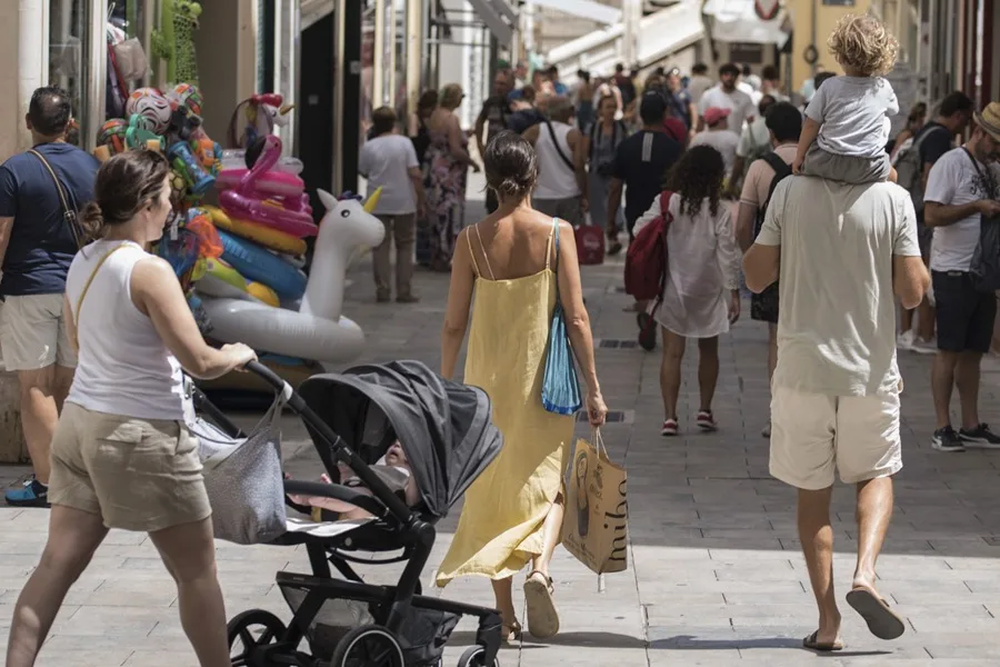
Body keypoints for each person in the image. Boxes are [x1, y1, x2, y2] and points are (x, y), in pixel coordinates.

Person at [5, 150, 258, 667]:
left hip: (79, 426)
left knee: (54, 566)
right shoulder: (148, 271)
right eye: (167, 198)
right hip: (140, 435)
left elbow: (78, 340)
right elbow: (200, 360)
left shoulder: (83, 260)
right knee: (196, 573)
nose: (172, 208)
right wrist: (238, 353)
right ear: (146, 204)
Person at [743, 133, 929, 652]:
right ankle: (865, 574)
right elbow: (913, 291)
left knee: (812, 490)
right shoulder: (894, 199)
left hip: (803, 366)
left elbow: (755, 276)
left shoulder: (789, 192)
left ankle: (827, 624)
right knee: (875, 472)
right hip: (867, 369)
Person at [437, 130, 607, 642]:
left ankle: (506, 614)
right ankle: (540, 570)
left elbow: (452, 323)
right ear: (534, 177)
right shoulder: (557, 233)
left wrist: (444, 387)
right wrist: (594, 387)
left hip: (486, 383)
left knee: (496, 488)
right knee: (550, 482)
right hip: (545, 384)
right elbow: (576, 317)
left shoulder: (471, 240)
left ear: (490, 182)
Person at [0, 87, 100, 507]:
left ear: (28, 123)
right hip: (79, 288)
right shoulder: (92, 167)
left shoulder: (13, 171)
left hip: (28, 287)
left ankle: (48, 483)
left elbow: (1, 234)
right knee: (71, 384)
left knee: (35, 387)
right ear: (70, 124)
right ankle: (77, 481)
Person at [632, 146, 740, 435]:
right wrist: (735, 294)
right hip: (709, 290)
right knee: (709, 351)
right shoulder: (720, 211)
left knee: (672, 354)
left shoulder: (667, 202)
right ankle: (704, 410)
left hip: (673, 287)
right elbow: (728, 254)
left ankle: (670, 417)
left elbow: (638, 230)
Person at [924, 102, 1000, 452]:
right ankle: (942, 425)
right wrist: (975, 207)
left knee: (973, 352)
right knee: (948, 351)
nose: (998, 150)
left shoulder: (994, 168)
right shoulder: (950, 164)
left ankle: (971, 423)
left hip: (983, 272)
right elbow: (932, 215)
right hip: (952, 269)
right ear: (979, 132)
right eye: (995, 142)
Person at [735, 102, 802, 438]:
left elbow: (743, 225)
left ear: (771, 133)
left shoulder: (760, 168)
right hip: (813, 265)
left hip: (775, 267)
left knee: (777, 339)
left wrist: (754, 262)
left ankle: (779, 415)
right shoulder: (817, 162)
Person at [894, 92, 974, 353]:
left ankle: (906, 332)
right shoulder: (940, 137)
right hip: (923, 214)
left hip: (910, 209)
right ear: (959, 115)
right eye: (966, 120)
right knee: (924, 274)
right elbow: (930, 175)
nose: (966, 127)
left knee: (908, 268)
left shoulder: (926, 129)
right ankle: (925, 337)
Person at [794, 14, 899, 184]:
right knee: (893, 176)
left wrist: (800, 156)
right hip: (867, 165)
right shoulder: (882, 87)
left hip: (827, 161)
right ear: (881, 58)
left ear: (840, 55)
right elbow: (894, 111)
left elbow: (811, 124)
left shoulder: (829, 86)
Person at [359, 106, 427, 303]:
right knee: (405, 245)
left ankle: (383, 289)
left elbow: (363, 171)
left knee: (380, 246)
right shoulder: (404, 143)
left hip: (377, 202)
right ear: (394, 123)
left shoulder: (369, 146)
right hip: (403, 201)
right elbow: (415, 173)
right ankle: (404, 290)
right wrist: (421, 199)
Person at [607, 92, 683, 252]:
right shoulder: (675, 149)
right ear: (664, 114)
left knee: (638, 257)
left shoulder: (626, 146)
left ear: (641, 115)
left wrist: (611, 220)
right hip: (666, 214)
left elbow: (615, 186)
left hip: (635, 213)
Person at [425, 83, 480, 272]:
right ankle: (450, 253)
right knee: (451, 212)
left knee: (437, 210)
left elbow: (442, 139)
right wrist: (473, 162)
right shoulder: (451, 118)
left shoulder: (435, 115)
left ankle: (437, 253)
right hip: (450, 173)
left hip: (434, 167)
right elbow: (455, 148)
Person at [523, 96, 587, 226]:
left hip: (542, 195)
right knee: (567, 239)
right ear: (566, 111)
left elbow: (517, 149)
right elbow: (579, 166)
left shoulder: (535, 131)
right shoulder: (573, 134)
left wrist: (533, 168)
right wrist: (585, 193)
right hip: (569, 195)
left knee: (543, 240)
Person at [584, 94, 629, 247]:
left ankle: (613, 237)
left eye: (612, 107)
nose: (610, 110)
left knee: (614, 206)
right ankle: (600, 241)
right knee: (598, 208)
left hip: (615, 173)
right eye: (607, 107)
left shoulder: (621, 127)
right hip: (596, 171)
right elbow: (585, 150)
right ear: (600, 110)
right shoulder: (593, 128)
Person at [475, 70, 514, 213]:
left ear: (511, 85)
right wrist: (480, 144)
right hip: (492, 154)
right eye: (497, 83)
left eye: (502, 84)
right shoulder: (490, 102)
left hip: (511, 156)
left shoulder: (516, 103)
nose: (498, 87)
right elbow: (479, 121)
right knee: (492, 194)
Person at [730, 95, 777, 195]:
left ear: (759, 110)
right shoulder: (779, 127)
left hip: (752, 179)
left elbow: (740, 158)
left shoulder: (750, 129)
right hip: (775, 178)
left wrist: (731, 185)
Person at [698, 63, 756, 133]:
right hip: (712, 141)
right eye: (726, 74)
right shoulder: (708, 95)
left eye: (732, 75)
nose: (729, 78)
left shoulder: (745, 97)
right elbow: (701, 119)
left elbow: (751, 121)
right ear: (720, 76)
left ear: (737, 77)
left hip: (735, 140)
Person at [691, 108, 741, 184]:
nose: (726, 120)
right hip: (727, 181)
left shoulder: (697, 138)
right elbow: (741, 158)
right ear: (719, 121)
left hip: (703, 182)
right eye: (724, 117)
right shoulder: (732, 137)